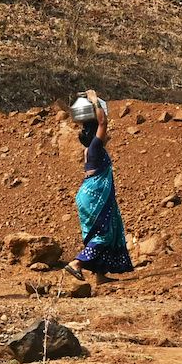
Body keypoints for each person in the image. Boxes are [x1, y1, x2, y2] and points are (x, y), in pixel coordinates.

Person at [63, 90, 133, 285]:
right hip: (93, 196)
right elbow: (103, 122)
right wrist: (94, 100)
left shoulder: (90, 149)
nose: (107, 134)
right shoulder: (95, 146)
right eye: (103, 134)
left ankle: (100, 275)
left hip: (89, 194)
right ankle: (77, 264)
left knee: (105, 229)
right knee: (103, 233)